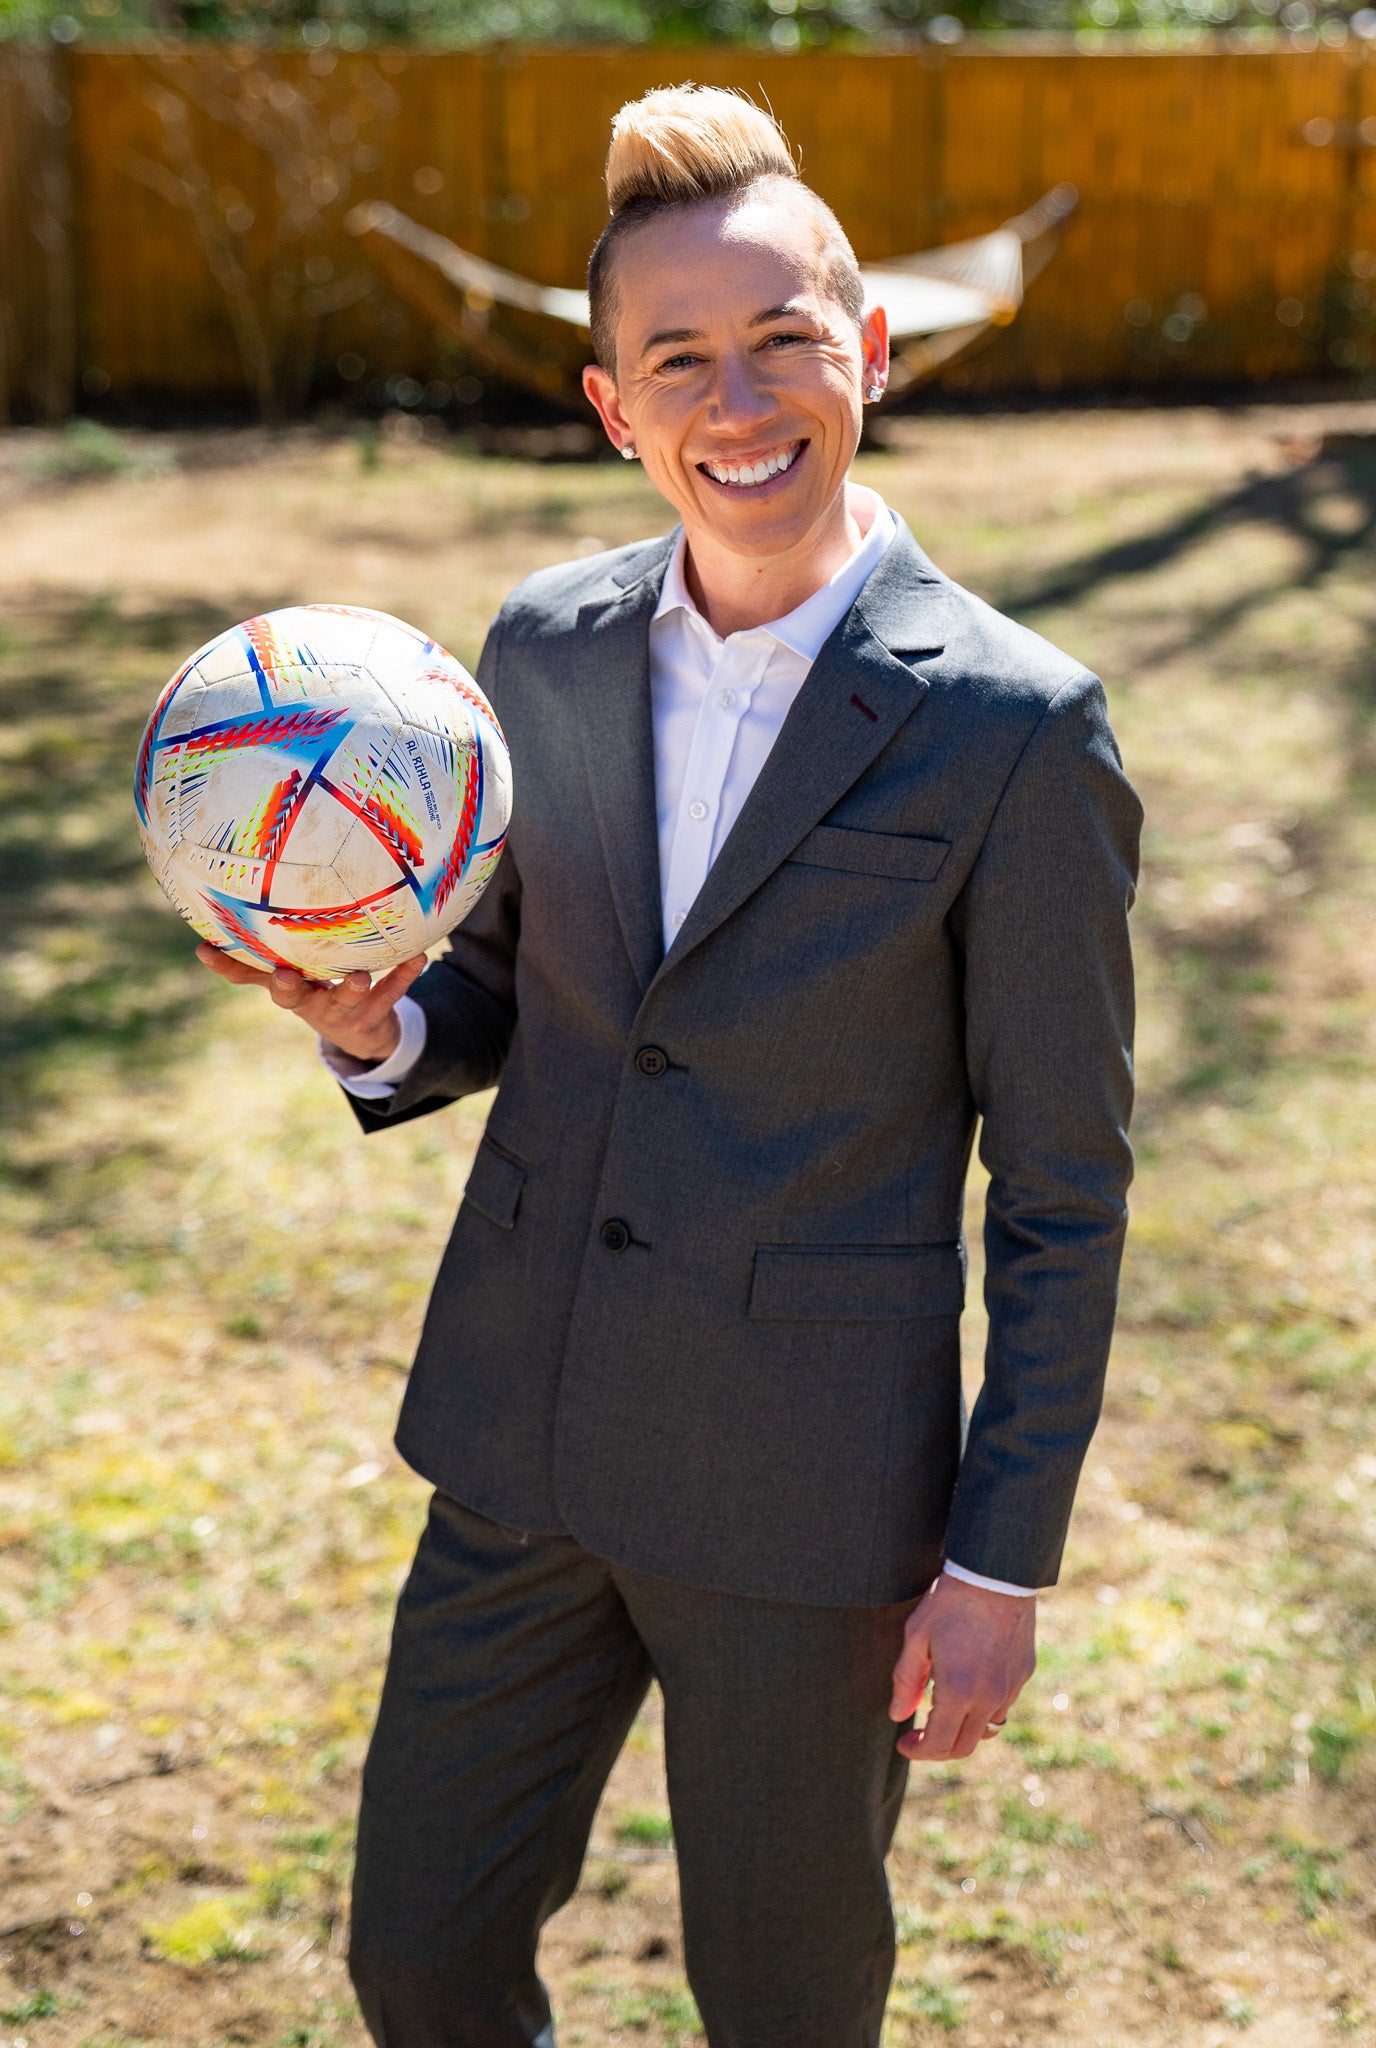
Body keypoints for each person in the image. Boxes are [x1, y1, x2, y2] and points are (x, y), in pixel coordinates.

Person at [197, 85, 1141, 2048]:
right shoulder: (532, 652)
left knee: (786, 2008)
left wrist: (996, 1561)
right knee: (422, 1962)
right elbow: (512, 990)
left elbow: (1063, 1183)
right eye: (679, 358)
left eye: (784, 339)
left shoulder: (1017, 734)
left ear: (868, 349)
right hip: (516, 1443)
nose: (741, 398)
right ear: (610, 403)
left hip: (809, 1506)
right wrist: (373, 1021)